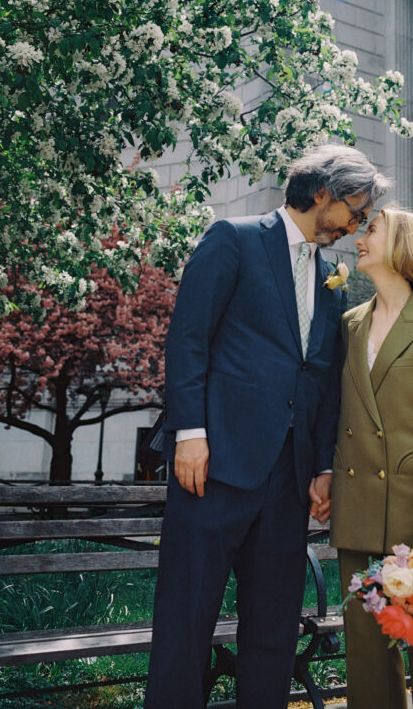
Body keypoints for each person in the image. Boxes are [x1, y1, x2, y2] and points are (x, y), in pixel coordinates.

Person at [143, 145, 389, 709]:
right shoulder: (233, 239)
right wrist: (190, 434)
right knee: (186, 621)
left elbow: (322, 376)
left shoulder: (333, 277)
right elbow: (188, 340)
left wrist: (323, 466)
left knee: (275, 629)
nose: (357, 224)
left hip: (289, 480)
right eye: (355, 208)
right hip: (213, 466)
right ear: (322, 191)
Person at [329, 206, 413, 709]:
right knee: (367, 667)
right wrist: (325, 474)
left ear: (403, 245)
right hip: (357, 509)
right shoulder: (349, 323)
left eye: (372, 230)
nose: (360, 238)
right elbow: (335, 411)